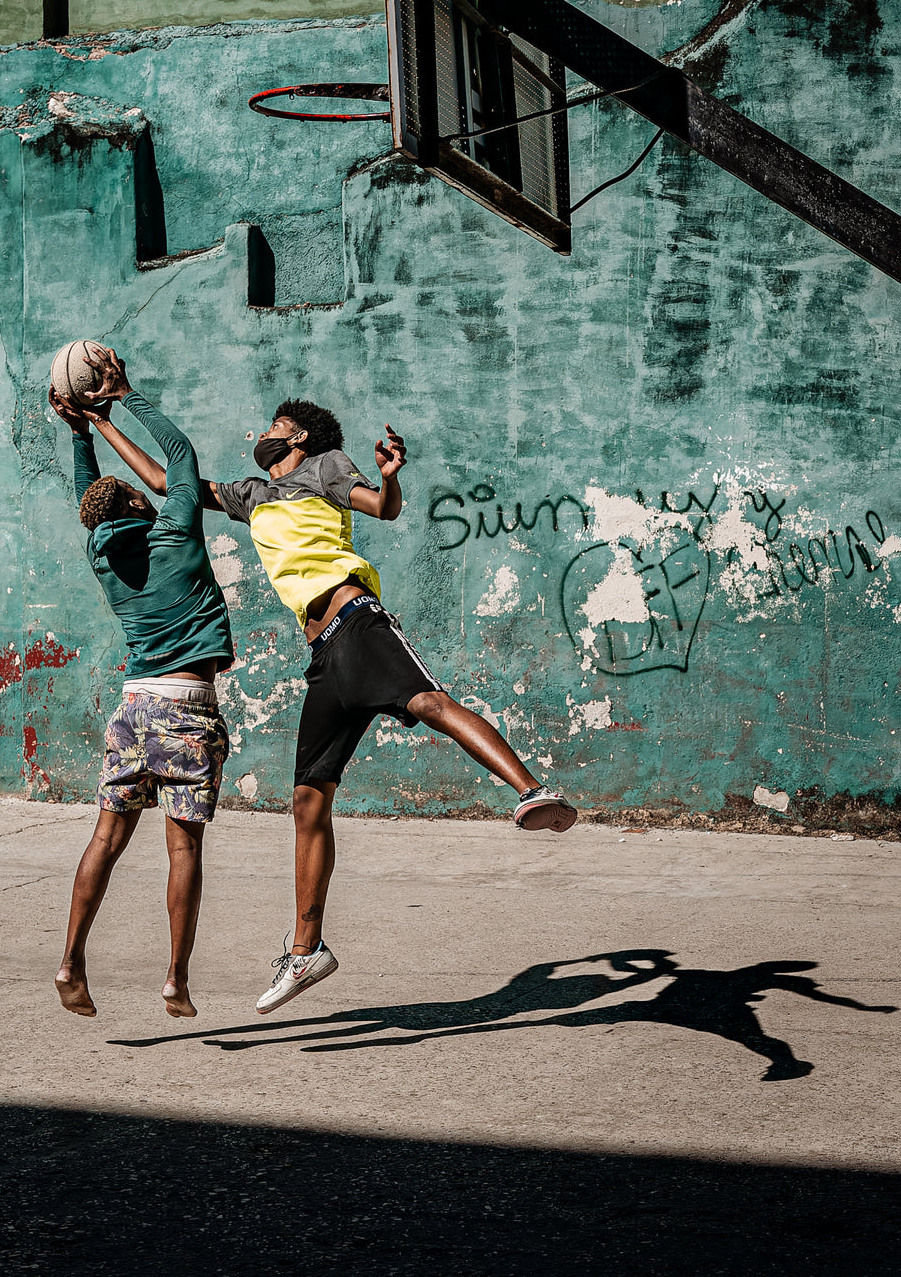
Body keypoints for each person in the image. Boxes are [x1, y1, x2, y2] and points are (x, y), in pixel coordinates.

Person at [85, 390, 577, 1014]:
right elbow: (168, 480)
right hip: (322, 654)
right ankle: (306, 950)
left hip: (357, 624)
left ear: (296, 439)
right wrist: (103, 422)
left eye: (273, 428)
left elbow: (382, 508)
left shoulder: (327, 466)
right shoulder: (253, 495)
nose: (260, 435)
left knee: (427, 703)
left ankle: (531, 790)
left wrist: (392, 477)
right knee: (307, 801)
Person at [49, 347, 233, 1020]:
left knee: (105, 838)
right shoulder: (175, 532)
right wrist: (124, 397)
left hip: (132, 709)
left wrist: (79, 431)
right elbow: (179, 458)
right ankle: (176, 978)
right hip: (187, 709)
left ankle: (70, 959)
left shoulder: (103, 557)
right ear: (134, 498)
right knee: (181, 845)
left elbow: (87, 499)